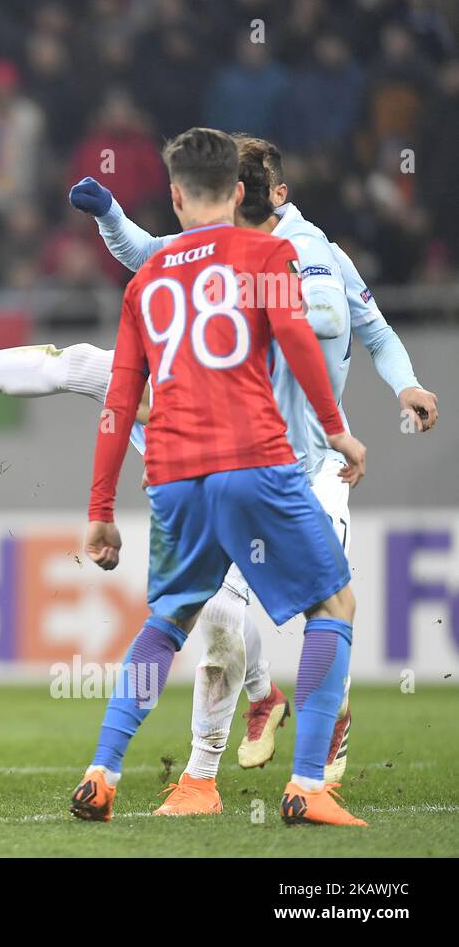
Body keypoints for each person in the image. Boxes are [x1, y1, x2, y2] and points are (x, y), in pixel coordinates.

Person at [76, 126, 367, 826]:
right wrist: (337, 432)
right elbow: (299, 343)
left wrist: (100, 507)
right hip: (257, 462)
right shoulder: (267, 252)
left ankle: (103, 771)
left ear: (175, 197)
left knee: (170, 620)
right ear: (239, 193)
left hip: (174, 477)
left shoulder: (147, 280)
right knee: (335, 607)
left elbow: (120, 400)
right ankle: (306, 787)